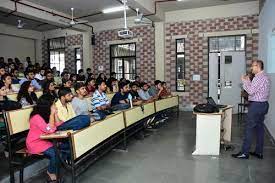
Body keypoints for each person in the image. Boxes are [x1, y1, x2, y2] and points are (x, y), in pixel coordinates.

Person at [232, 60, 270, 159]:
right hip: (263, 105)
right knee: (259, 128)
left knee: (249, 129)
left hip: (256, 106)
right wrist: (248, 80)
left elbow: (251, 91)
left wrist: (244, 81)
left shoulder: (258, 77)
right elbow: (254, 88)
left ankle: (244, 153)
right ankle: (259, 152)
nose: (251, 68)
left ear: (258, 66)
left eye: (253, 66)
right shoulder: (264, 76)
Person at [26, 94, 67, 182]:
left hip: (45, 140)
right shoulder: (36, 117)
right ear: (47, 105)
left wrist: (55, 114)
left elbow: (60, 125)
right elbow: (50, 130)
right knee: (56, 153)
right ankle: (50, 171)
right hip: (35, 143)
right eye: (53, 104)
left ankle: (58, 167)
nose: (55, 106)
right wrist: (52, 114)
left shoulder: (46, 114)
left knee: (66, 147)